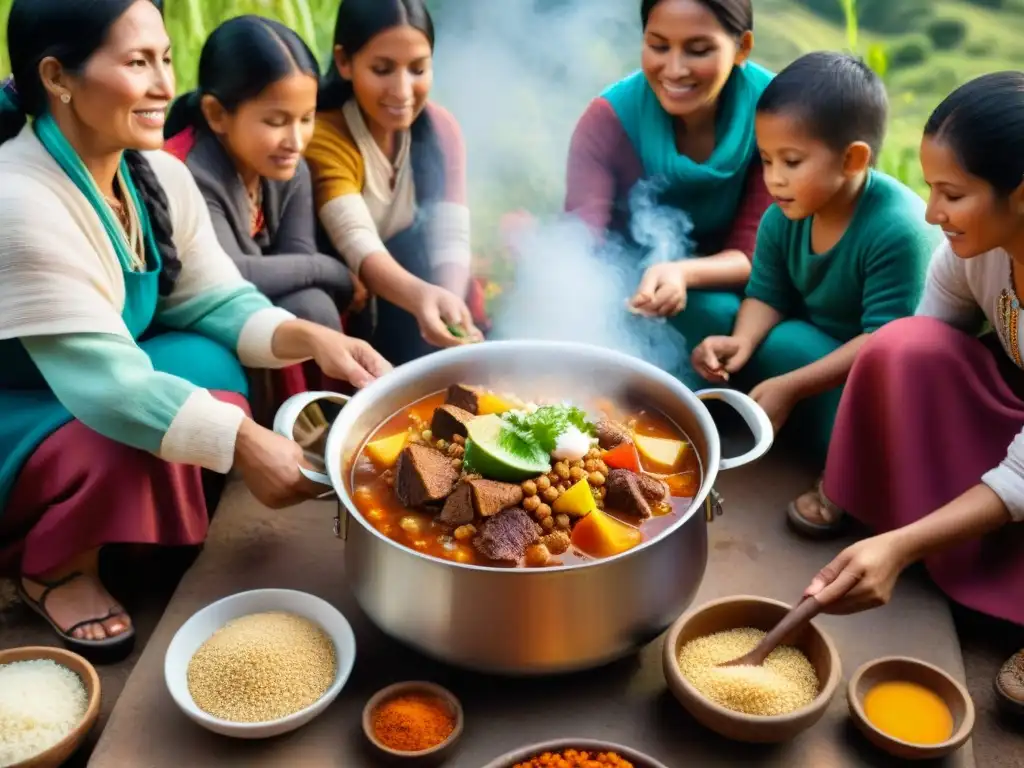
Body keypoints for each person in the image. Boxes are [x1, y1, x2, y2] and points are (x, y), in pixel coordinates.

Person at [0, 0, 390, 659]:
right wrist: (243, 442)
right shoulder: (19, 199)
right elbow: (107, 386)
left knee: (211, 363)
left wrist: (316, 339)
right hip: (28, 405)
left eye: (165, 60)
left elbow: (214, 299)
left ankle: (140, 534)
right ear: (57, 78)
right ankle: (54, 566)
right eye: (136, 63)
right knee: (117, 439)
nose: (162, 85)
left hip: (101, 377)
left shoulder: (155, 174)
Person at [795, 72, 1024, 711]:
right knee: (903, 346)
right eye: (929, 189)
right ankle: (889, 515)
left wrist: (900, 548)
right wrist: (789, 386)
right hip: (1014, 415)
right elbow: (917, 345)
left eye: (951, 193)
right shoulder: (974, 250)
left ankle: (917, 545)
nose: (931, 214)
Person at [690, 52, 938, 467]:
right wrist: (742, 341)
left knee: (797, 351)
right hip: (810, 360)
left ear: (853, 160)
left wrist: (793, 386)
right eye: (766, 160)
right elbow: (768, 293)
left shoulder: (898, 230)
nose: (774, 178)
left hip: (878, 375)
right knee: (750, 332)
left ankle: (844, 475)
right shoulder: (783, 215)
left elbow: (883, 340)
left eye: (791, 161)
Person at [565, 0, 773, 356]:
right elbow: (582, 244)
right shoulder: (609, 119)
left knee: (717, 312)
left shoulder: (774, 112)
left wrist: (683, 272)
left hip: (752, 287)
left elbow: (758, 250)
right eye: (658, 46)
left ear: (742, 48)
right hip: (626, 283)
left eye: (698, 50)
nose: (674, 70)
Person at [305, 0, 480, 366]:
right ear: (344, 62)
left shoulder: (441, 128)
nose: (402, 91)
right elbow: (358, 243)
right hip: (348, 297)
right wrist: (424, 299)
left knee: (459, 289)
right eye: (382, 69)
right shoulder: (324, 134)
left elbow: (451, 237)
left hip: (406, 289)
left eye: (418, 69)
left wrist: (448, 310)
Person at [164, 15, 360, 332]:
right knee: (308, 307)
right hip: (196, 315)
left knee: (311, 303)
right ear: (216, 114)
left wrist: (317, 269)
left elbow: (298, 256)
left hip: (257, 306)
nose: (296, 141)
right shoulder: (187, 173)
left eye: (307, 118)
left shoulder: (288, 165)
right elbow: (230, 273)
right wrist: (333, 269)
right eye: (276, 122)